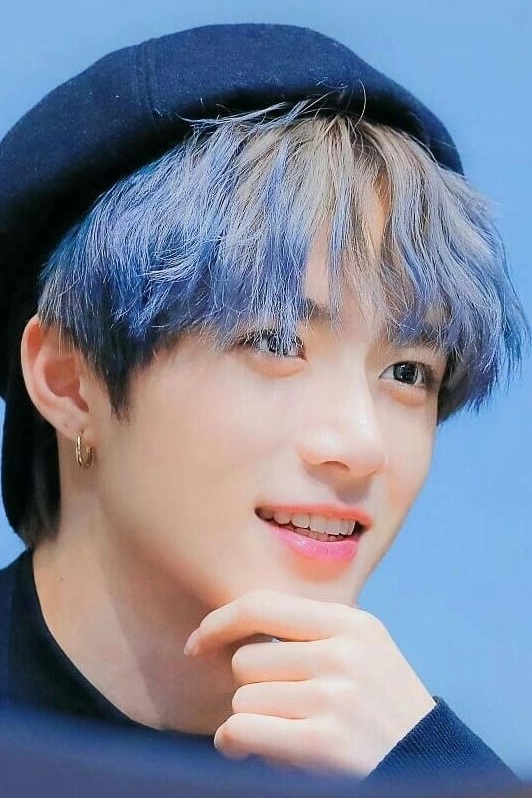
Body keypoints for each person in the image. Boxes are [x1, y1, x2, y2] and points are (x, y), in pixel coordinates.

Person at [0, 23, 527, 786]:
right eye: (276, 342)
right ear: (69, 381)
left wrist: (429, 769)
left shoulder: (398, 761)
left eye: (408, 371)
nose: (362, 445)